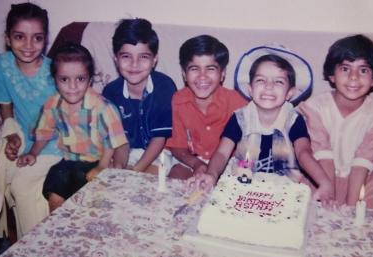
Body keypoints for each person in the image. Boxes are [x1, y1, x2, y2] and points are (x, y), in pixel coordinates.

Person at [190, 46, 334, 203]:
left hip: (283, 187)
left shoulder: (294, 120)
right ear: (250, 89)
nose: (269, 86)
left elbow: (303, 153)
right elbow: (222, 153)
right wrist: (212, 174)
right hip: (242, 183)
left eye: (278, 81)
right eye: (261, 80)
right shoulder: (240, 118)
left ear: (290, 93)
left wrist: (324, 182)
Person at [17, 43, 127, 212]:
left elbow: (111, 141)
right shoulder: (53, 104)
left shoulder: (103, 107)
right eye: (64, 79)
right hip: (68, 161)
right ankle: (58, 233)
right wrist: (32, 153)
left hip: (97, 161)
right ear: (55, 80)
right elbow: (44, 132)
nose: (73, 86)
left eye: (80, 79)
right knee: (54, 196)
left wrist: (102, 167)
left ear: (90, 79)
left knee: (92, 203)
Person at [298, 34, 373, 209]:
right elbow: (323, 155)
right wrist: (329, 198)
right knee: (306, 208)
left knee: (371, 216)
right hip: (320, 177)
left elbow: (362, 165)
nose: (354, 77)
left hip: (362, 181)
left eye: (363, 70)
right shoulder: (315, 108)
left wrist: (350, 209)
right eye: (345, 69)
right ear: (332, 76)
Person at [0, 3, 62, 237]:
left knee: (21, 186)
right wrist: (11, 134)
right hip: (24, 135)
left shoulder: (54, 72)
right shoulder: (2, 65)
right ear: (7, 38)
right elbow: (5, 106)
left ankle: (35, 244)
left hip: (54, 144)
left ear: (46, 40)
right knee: (6, 175)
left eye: (37, 38)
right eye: (20, 37)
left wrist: (32, 151)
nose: (28, 45)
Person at [166, 35, 247, 179]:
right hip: (191, 160)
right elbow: (177, 146)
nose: (202, 76)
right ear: (184, 74)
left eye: (210, 69)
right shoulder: (178, 100)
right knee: (174, 181)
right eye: (194, 68)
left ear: (222, 74)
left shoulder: (237, 103)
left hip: (227, 163)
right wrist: (197, 164)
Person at [102, 18, 176, 174]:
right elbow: (119, 140)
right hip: (126, 152)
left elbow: (159, 138)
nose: (134, 64)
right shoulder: (110, 93)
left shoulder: (165, 87)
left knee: (150, 180)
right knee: (111, 176)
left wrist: (135, 171)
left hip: (159, 153)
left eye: (143, 57)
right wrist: (120, 168)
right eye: (126, 56)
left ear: (154, 60)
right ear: (116, 59)